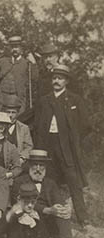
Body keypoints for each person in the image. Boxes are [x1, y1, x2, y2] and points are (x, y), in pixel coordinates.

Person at [34, 64, 91, 227]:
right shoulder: (44, 100)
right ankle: (49, 219)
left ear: (66, 81)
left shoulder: (74, 100)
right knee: (48, 180)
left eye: (60, 78)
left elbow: (85, 124)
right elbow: (37, 123)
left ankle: (83, 218)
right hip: (47, 146)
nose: (56, 81)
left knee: (74, 181)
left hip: (66, 147)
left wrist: (73, 138)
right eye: (54, 78)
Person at [11, 150, 73, 238]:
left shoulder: (50, 183)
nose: (38, 169)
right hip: (29, 214)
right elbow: (20, 203)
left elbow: (58, 199)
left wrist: (63, 208)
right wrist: (46, 210)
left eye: (41, 165)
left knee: (61, 211)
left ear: (46, 167)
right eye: (35, 165)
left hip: (48, 217)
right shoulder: (19, 181)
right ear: (30, 165)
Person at [0, 35, 39, 114]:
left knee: (18, 120)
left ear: (21, 49)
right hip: (2, 98)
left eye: (16, 47)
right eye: (12, 47)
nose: (14, 49)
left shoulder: (26, 63)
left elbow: (35, 78)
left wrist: (34, 63)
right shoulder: (3, 61)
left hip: (19, 98)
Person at [2, 95, 33, 163]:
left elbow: (29, 147)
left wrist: (22, 158)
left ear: (17, 113)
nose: (10, 115)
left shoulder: (24, 128)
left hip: (18, 161)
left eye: (13, 112)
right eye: (8, 112)